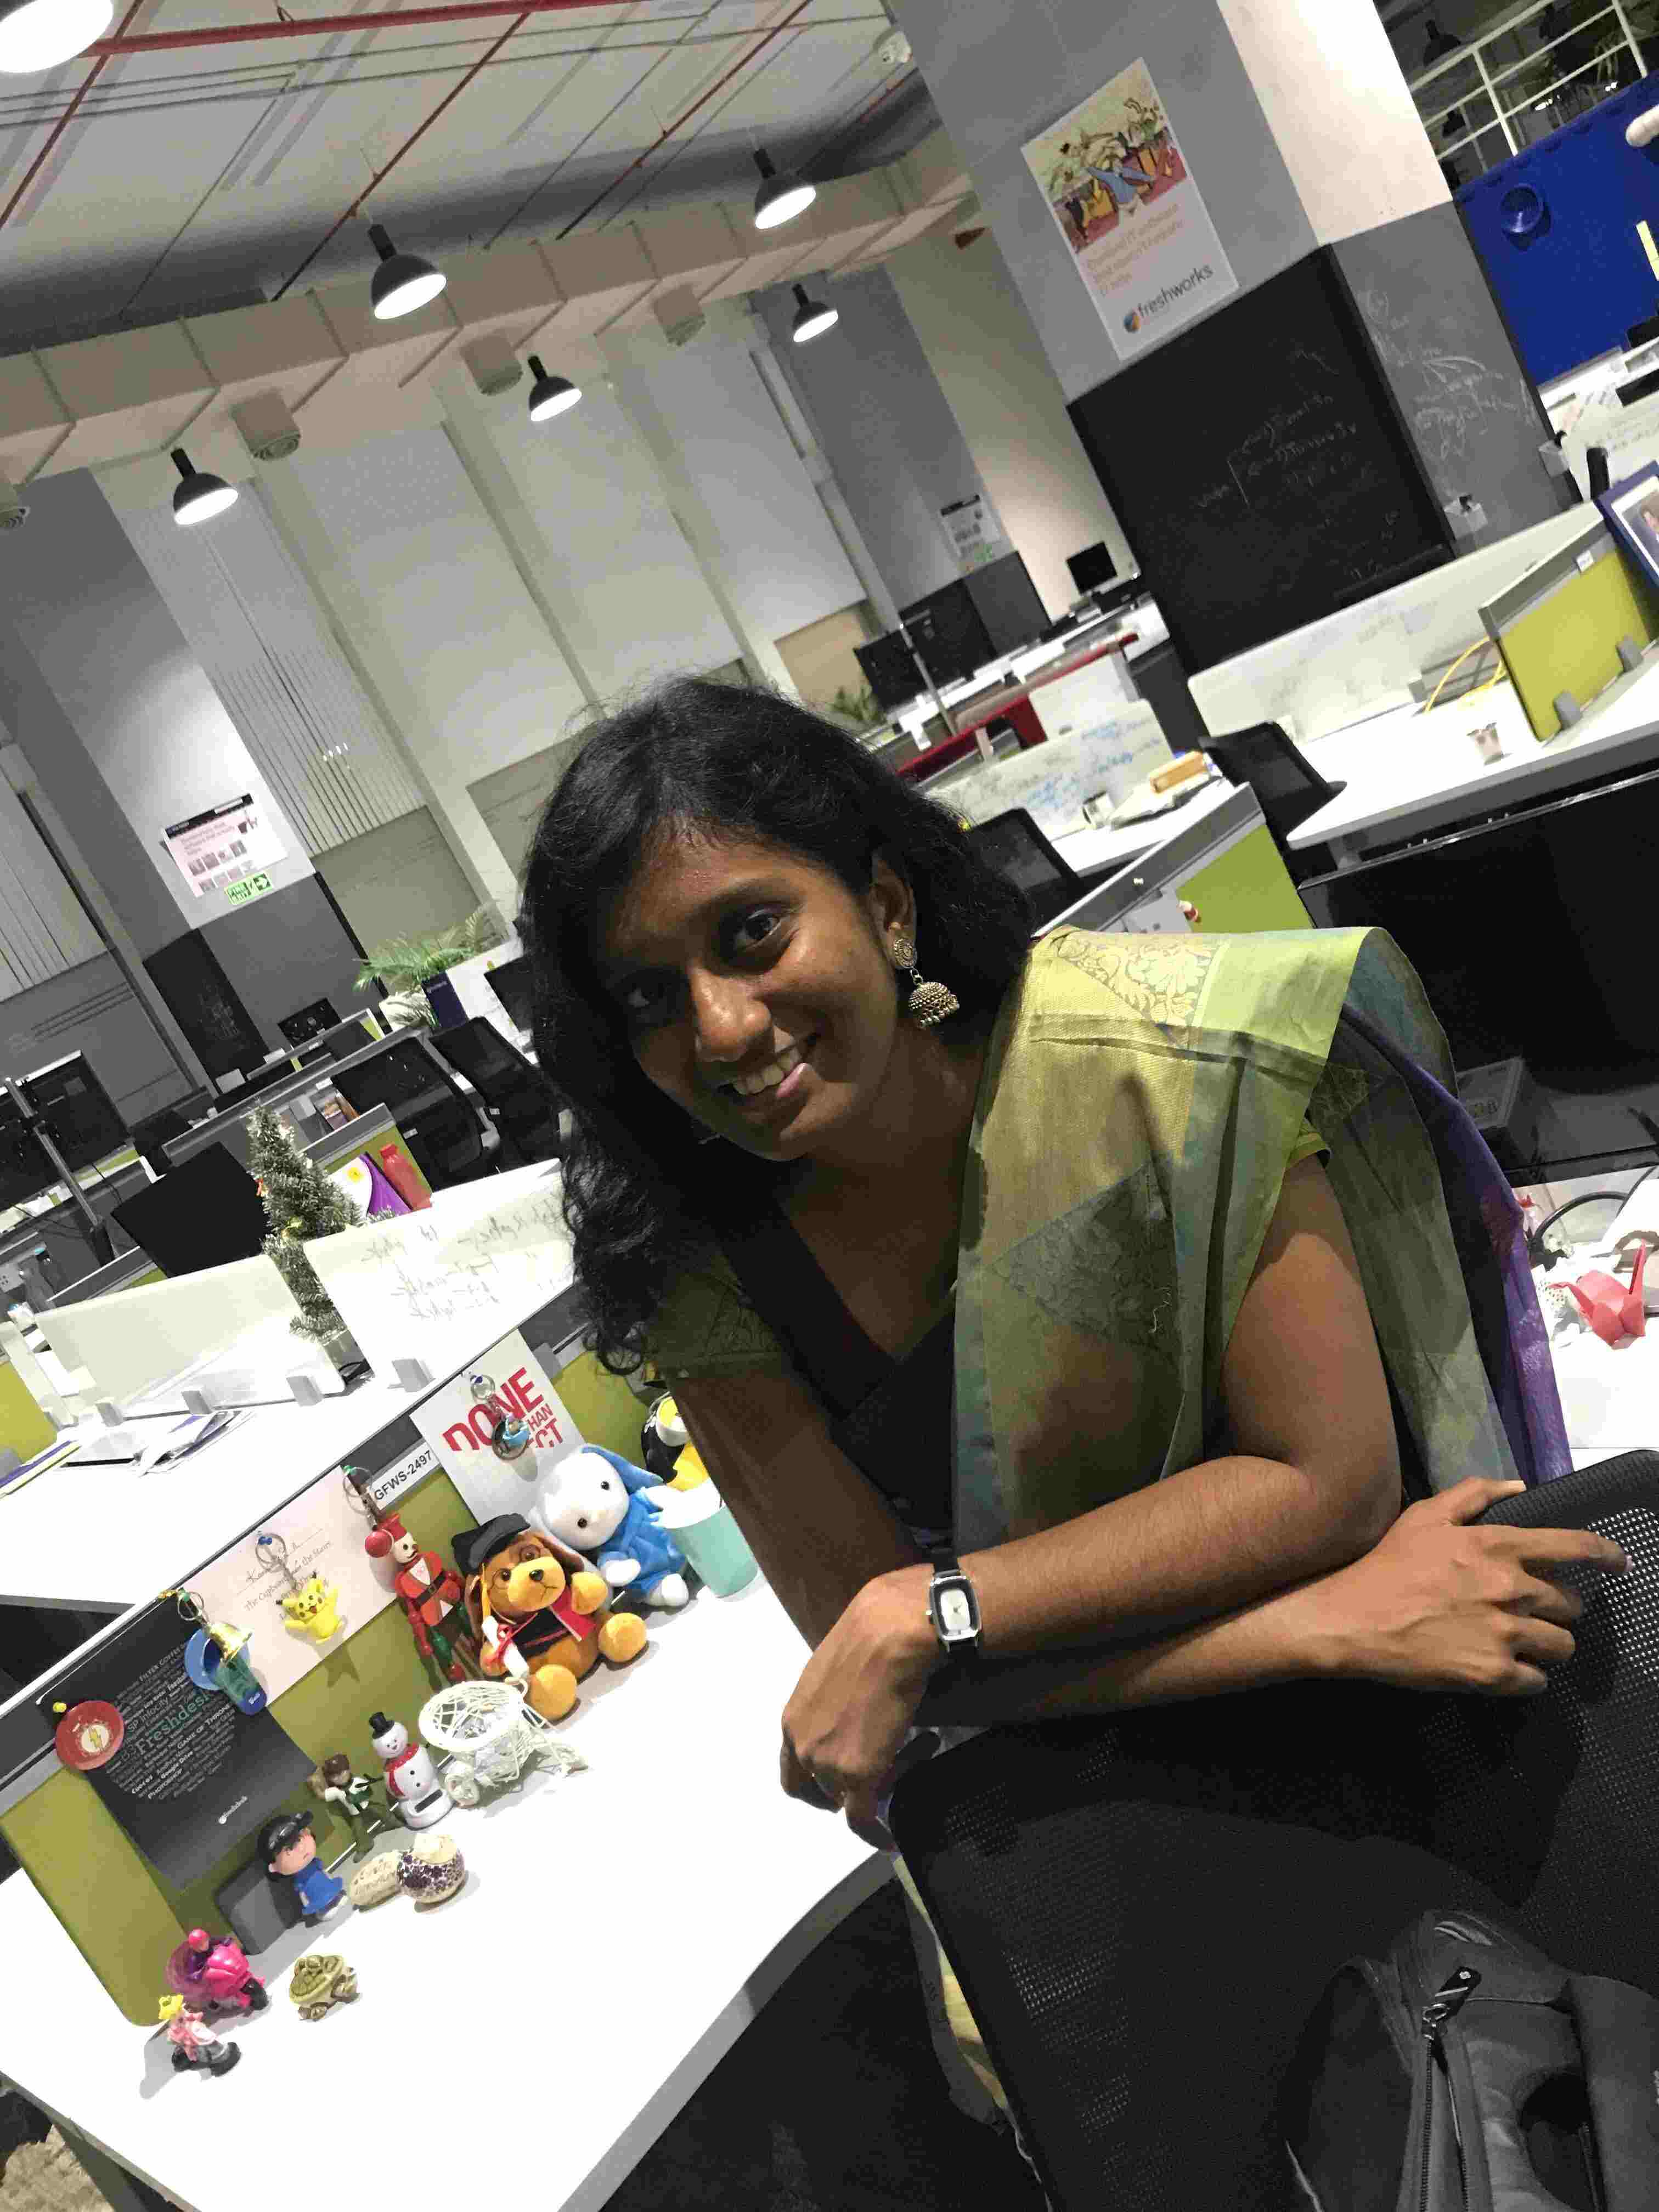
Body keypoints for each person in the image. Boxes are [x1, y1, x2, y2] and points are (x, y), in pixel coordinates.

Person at [518, 679, 1626, 2122]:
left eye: (752, 935)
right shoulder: (700, 1272)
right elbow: (897, 1686)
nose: (722, 1026)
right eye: (649, 998)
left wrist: (935, 1612)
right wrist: (1297, 1625)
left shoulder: (1163, 1073)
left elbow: (1323, 1481)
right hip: (1109, 1838)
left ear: (886, 906)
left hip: (1414, 1728)